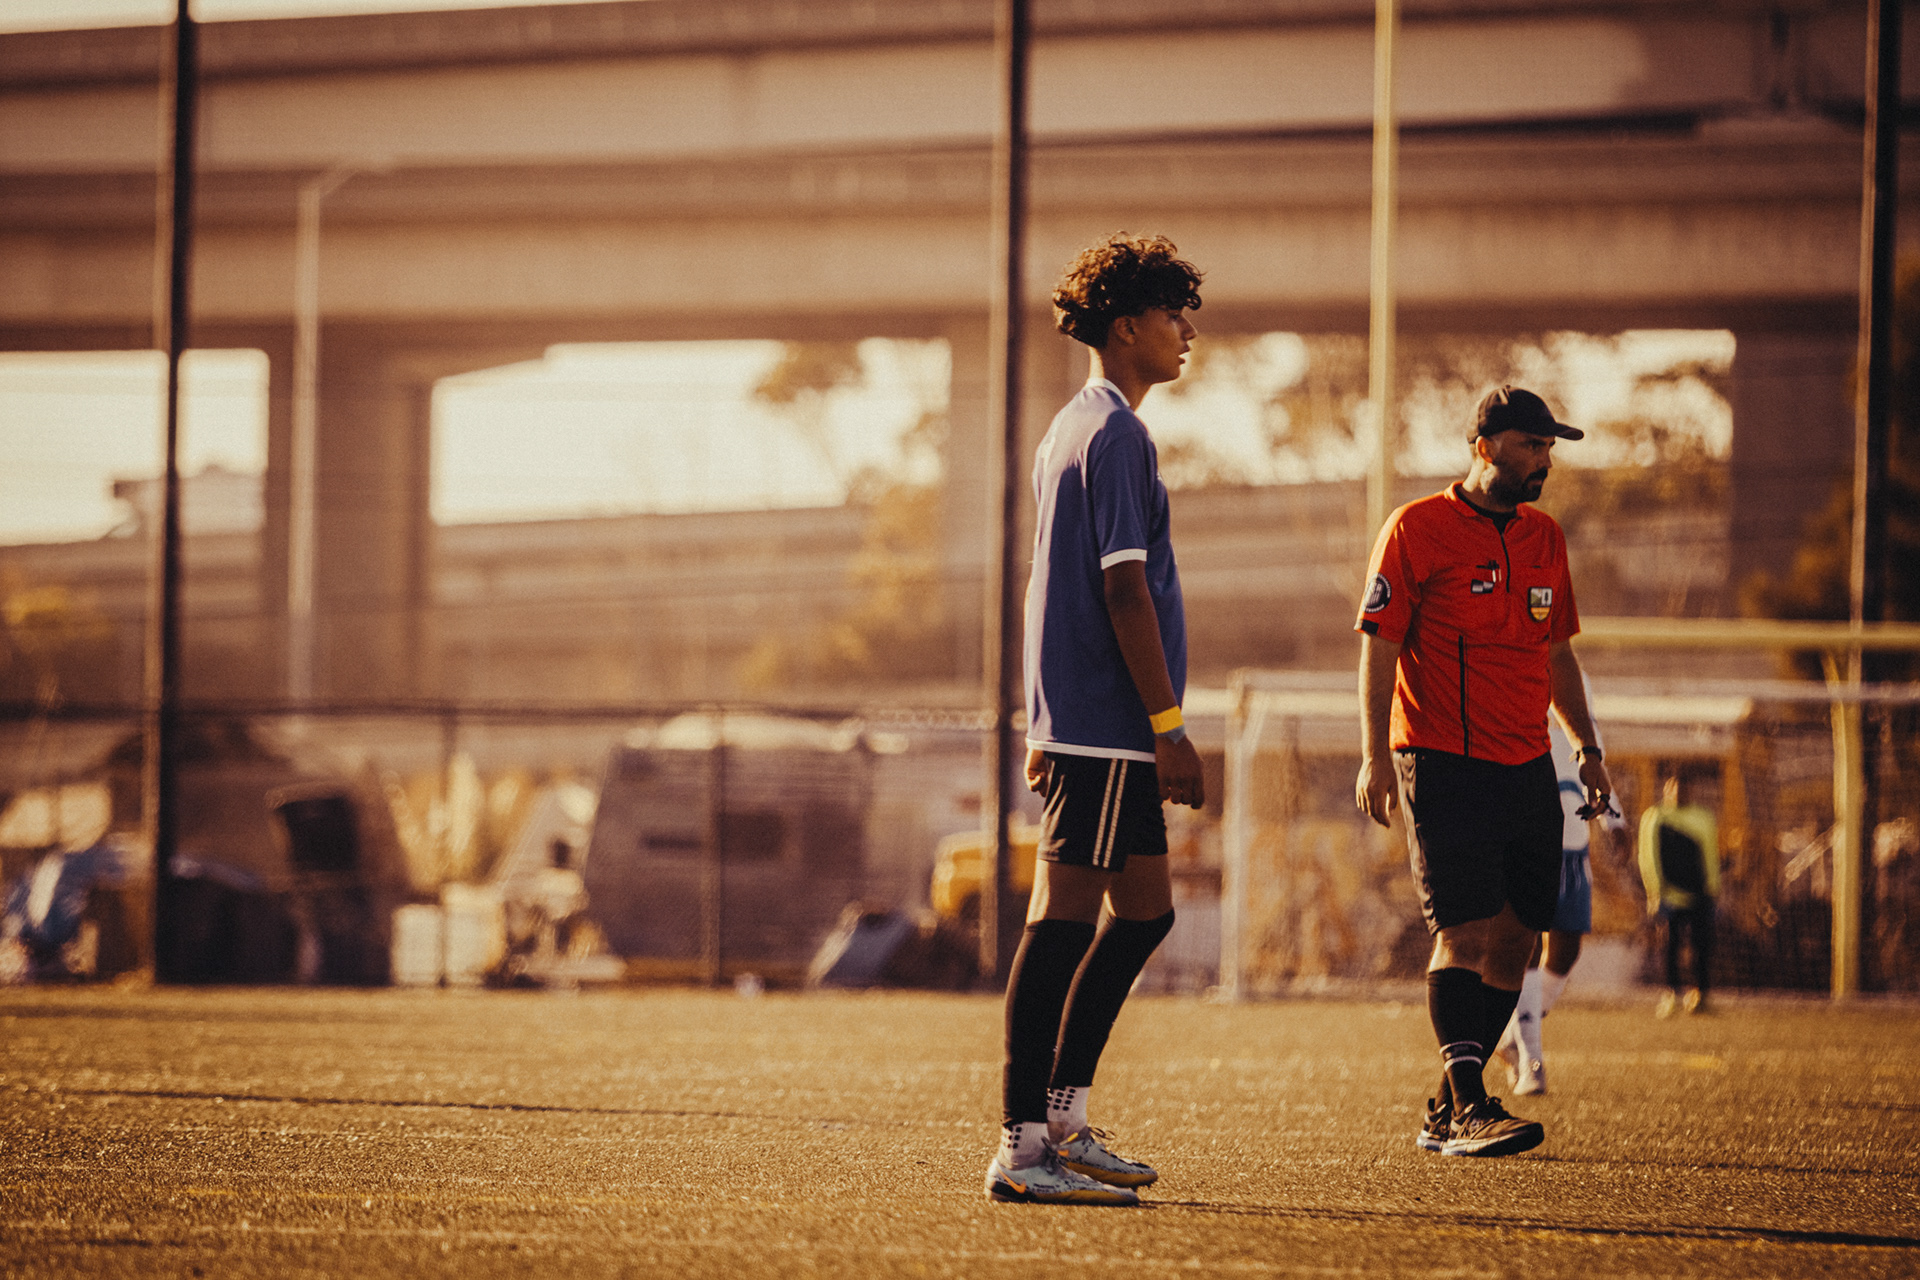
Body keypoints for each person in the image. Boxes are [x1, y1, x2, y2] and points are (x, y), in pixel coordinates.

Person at [983, 233, 1207, 1206]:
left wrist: (1045, 721)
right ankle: (1023, 1145)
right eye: (1170, 314)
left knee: (1146, 912)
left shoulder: (1070, 427)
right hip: (1110, 726)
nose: (1185, 331)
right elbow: (1122, 590)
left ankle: (1065, 1119)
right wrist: (1167, 724)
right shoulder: (1116, 433)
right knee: (1061, 921)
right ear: (1125, 327)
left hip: (1087, 724)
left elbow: (1049, 586)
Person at [1354, 385, 1614, 1159]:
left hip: (1527, 762)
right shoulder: (1415, 528)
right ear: (1484, 447)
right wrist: (1374, 754)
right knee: (1464, 933)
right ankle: (1470, 1106)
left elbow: (1558, 653)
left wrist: (1588, 750)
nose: (1544, 461)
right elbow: (1379, 646)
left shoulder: (1546, 538)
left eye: (1548, 447)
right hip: (1441, 758)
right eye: (1531, 445)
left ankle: (1447, 1104)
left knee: (1518, 939)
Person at [1491, 715, 1617, 1095]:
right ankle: (1533, 1060)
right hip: (1525, 838)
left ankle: (1512, 1036)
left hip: (1574, 847)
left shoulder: (1580, 704)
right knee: (1525, 943)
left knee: (1566, 951)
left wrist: (1615, 820)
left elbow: (1594, 765)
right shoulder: (1513, 696)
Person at [1638, 773, 1719, 1016]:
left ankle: (1700, 995)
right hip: (1669, 896)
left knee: (1701, 945)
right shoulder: (1655, 817)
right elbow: (1648, 856)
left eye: (1684, 789)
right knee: (1669, 947)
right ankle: (1671, 995)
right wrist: (1654, 891)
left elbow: (1710, 854)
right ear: (1666, 790)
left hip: (1699, 894)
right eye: (1674, 788)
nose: (1679, 793)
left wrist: (1713, 887)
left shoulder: (1703, 817)